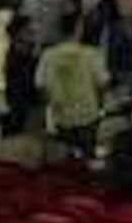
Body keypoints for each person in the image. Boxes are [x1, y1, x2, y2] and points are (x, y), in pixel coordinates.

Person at [35, 12, 110, 161]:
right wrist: (100, 106)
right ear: (78, 29)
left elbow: (41, 87)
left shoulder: (48, 55)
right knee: (87, 159)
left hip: (61, 117)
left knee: (62, 160)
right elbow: (104, 84)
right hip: (88, 115)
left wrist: (51, 108)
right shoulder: (92, 54)